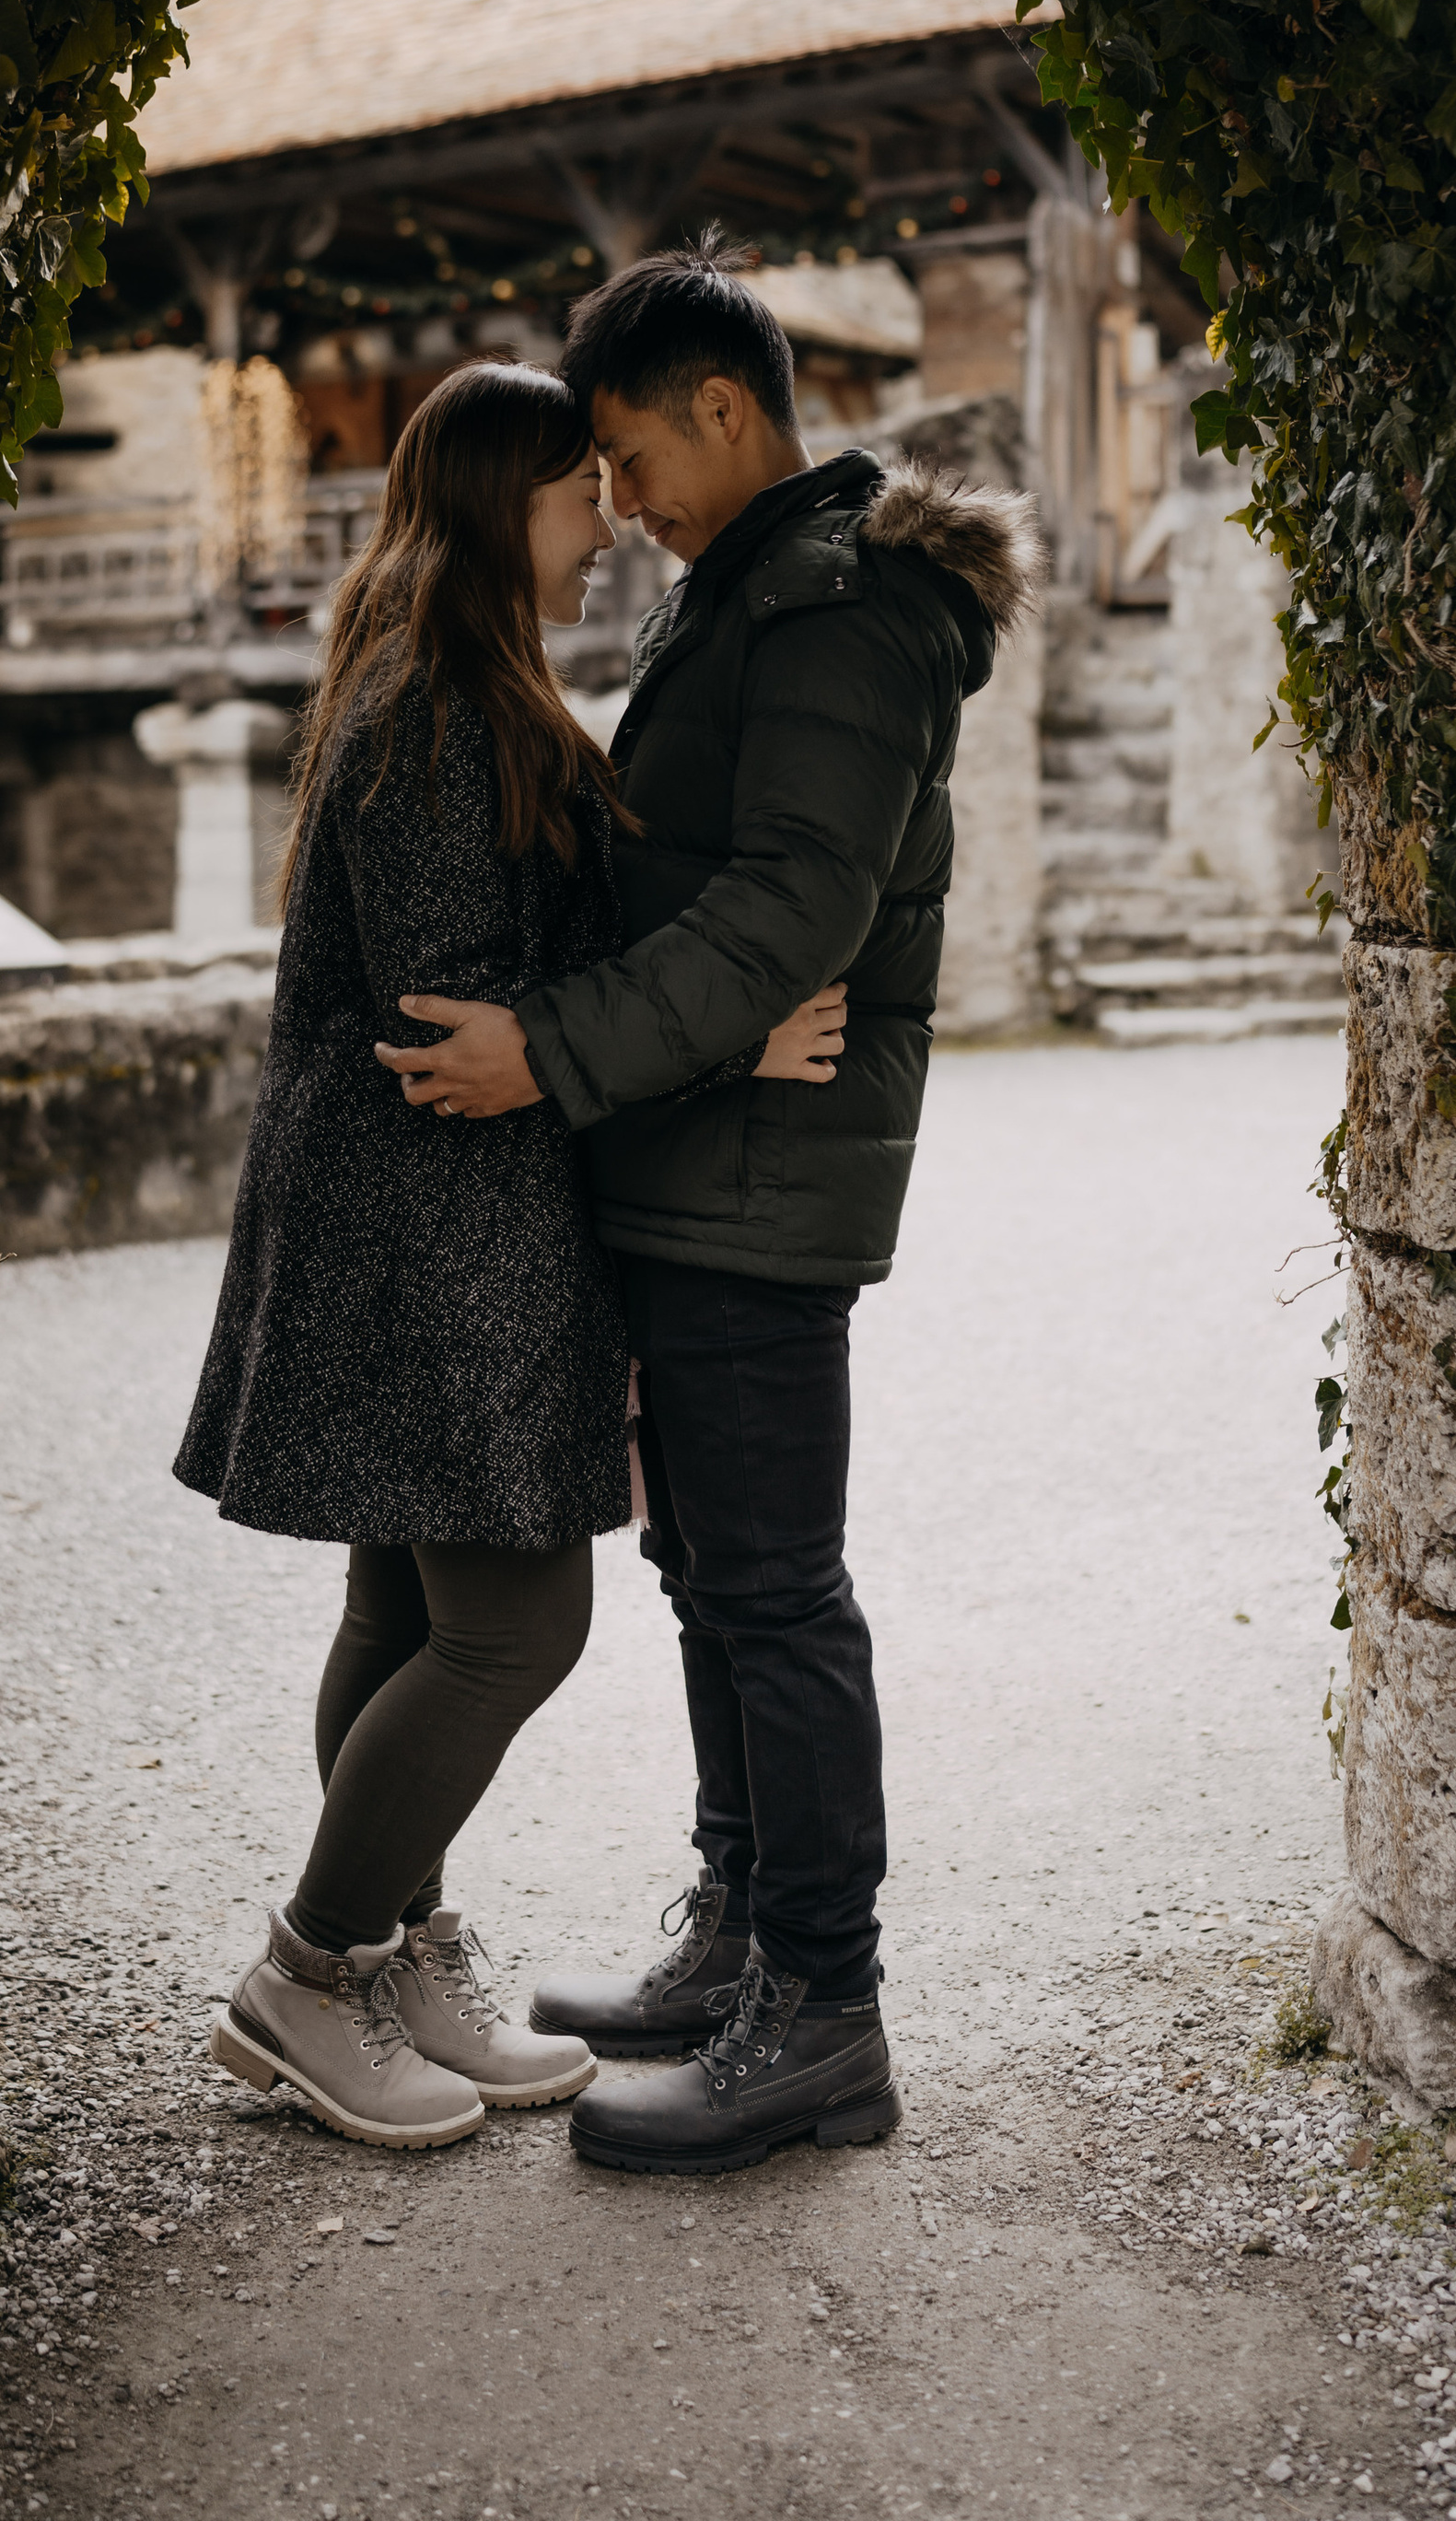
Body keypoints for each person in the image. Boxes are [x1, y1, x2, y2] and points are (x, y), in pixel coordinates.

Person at [375, 237, 1041, 2175]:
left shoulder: (832, 611)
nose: (619, 504)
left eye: (630, 457)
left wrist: (546, 1052)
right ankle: (743, 1939)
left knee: (772, 1589)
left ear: (725, 410)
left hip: (757, 1186)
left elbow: (785, 912)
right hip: (697, 1156)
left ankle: (822, 2016)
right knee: (711, 1582)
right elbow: (705, 888)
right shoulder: (751, 590)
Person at [172, 360, 848, 2152]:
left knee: (402, 1608)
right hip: (427, 1220)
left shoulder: (443, 679)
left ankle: (393, 1953)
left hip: (416, 1211)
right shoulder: (435, 706)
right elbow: (455, 1013)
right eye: (577, 492)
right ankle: (313, 1970)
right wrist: (715, 1038)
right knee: (516, 1620)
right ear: (501, 506)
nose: (606, 522)